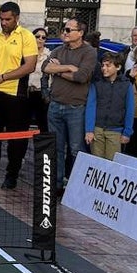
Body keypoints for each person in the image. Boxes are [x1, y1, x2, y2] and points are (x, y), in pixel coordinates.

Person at [0, 2, 37, 189]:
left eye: (8, 19)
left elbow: (30, 66)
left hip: (16, 95)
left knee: (16, 140)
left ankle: (12, 175)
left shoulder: (26, 37)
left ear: (16, 18)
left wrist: (3, 77)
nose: (4, 22)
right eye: (2, 19)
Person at [42, 17, 97, 191]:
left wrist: (58, 70)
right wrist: (68, 68)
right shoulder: (58, 49)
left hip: (76, 108)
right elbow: (45, 67)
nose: (64, 33)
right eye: (64, 29)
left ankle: (77, 188)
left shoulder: (89, 52)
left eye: (68, 30)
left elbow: (81, 77)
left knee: (76, 149)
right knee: (56, 148)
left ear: (80, 33)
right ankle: (56, 185)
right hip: (55, 105)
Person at [84, 50, 133, 160]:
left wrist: (127, 132)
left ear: (118, 67)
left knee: (112, 163)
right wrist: (89, 130)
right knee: (96, 162)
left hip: (115, 130)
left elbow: (129, 109)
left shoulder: (126, 85)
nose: (104, 68)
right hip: (97, 129)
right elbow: (91, 107)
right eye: (103, 65)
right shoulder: (96, 83)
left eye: (108, 65)